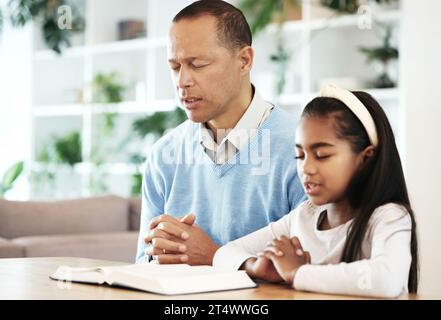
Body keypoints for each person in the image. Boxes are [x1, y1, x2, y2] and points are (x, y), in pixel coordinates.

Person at [135, 0, 305, 265]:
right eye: (175, 67)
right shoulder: (163, 156)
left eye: (198, 64)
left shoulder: (302, 149)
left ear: (244, 60)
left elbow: (314, 274)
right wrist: (157, 256)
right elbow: (142, 267)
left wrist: (212, 257)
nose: (182, 81)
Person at [213, 85, 419, 298]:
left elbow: (386, 281)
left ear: (365, 158)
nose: (306, 169)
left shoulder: (388, 217)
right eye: (299, 156)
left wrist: (297, 272)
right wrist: (254, 266)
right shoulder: (303, 217)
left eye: (321, 155)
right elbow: (224, 253)